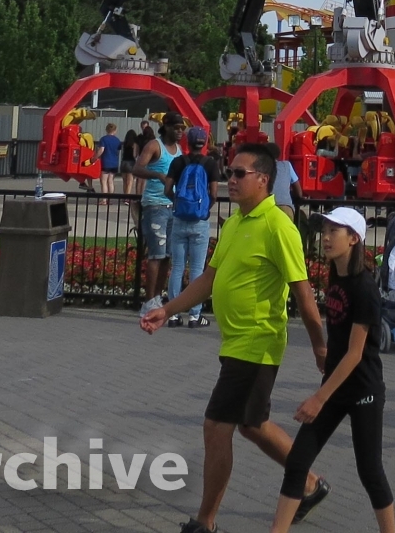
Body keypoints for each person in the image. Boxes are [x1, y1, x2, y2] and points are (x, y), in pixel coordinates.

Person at [143, 144, 328, 533]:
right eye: (229, 172)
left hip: (257, 342)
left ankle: (205, 522)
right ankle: (310, 484)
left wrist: (319, 345)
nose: (230, 179)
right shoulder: (233, 223)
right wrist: (168, 309)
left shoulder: (279, 226)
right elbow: (210, 279)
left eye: (239, 174)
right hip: (235, 342)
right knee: (252, 424)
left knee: (216, 426)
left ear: (264, 180)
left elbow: (303, 291)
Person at [271, 208, 395, 533]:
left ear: (353, 238)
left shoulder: (365, 288)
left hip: (363, 391)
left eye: (334, 231)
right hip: (335, 386)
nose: (326, 238)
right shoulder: (336, 275)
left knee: (370, 471)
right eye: (324, 230)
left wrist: (318, 398)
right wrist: (324, 352)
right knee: (298, 462)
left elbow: (356, 354)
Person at [163, 126, 225, 326]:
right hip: (200, 221)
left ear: (187, 142)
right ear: (205, 142)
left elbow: (167, 188)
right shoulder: (210, 164)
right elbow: (214, 194)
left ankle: (172, 314)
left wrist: (177, 203)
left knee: (177, 266)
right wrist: (205, 209)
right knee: (198, 268)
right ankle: (194, 315)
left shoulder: (178, 161)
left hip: (180, 218)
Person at [138, 116, 183, 316]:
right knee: (156, 254)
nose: (180, 131)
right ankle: (148, 301)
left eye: (182, 128)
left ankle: (157, 296)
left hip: (172, 205)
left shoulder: (179, 149)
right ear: (166, 127)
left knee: (167, 255)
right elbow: (137, 168)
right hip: (155, 205)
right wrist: (157, 175)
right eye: (177, 127)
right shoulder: (155, 146)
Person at [98, 122, 123, 195]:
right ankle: (110, 198)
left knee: (103, 181)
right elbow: (118, 151)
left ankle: (104, 199)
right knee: (111, 181)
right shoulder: (117, 140)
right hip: (114, 163)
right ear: (115, 130)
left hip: (106, 162)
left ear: (106, 130)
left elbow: (101, 150)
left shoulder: (103, 139)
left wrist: (95, 157)